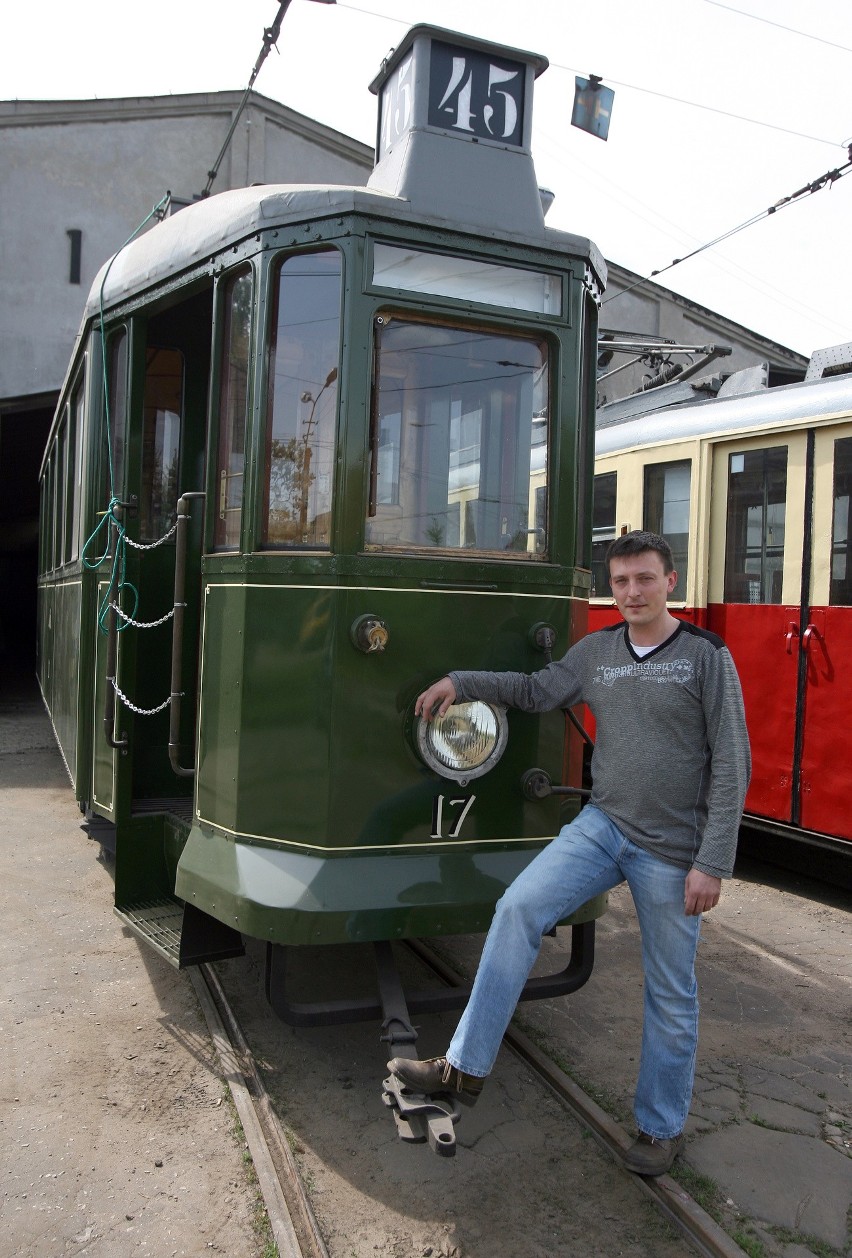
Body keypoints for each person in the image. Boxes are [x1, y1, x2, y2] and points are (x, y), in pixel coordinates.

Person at [388, 530, 750, 1176]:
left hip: (673, 850)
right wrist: (460, 680)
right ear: (610, 589)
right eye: (621, 582)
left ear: (671, 582)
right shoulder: (598, 653)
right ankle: (462, 1067)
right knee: (519, 907)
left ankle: (659, 1129)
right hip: (603, 826)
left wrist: (713, 862)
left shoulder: (704, 657)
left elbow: (732, 765)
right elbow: (535, 690)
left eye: (644, 579)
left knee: (671, 993)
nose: (632, 592)